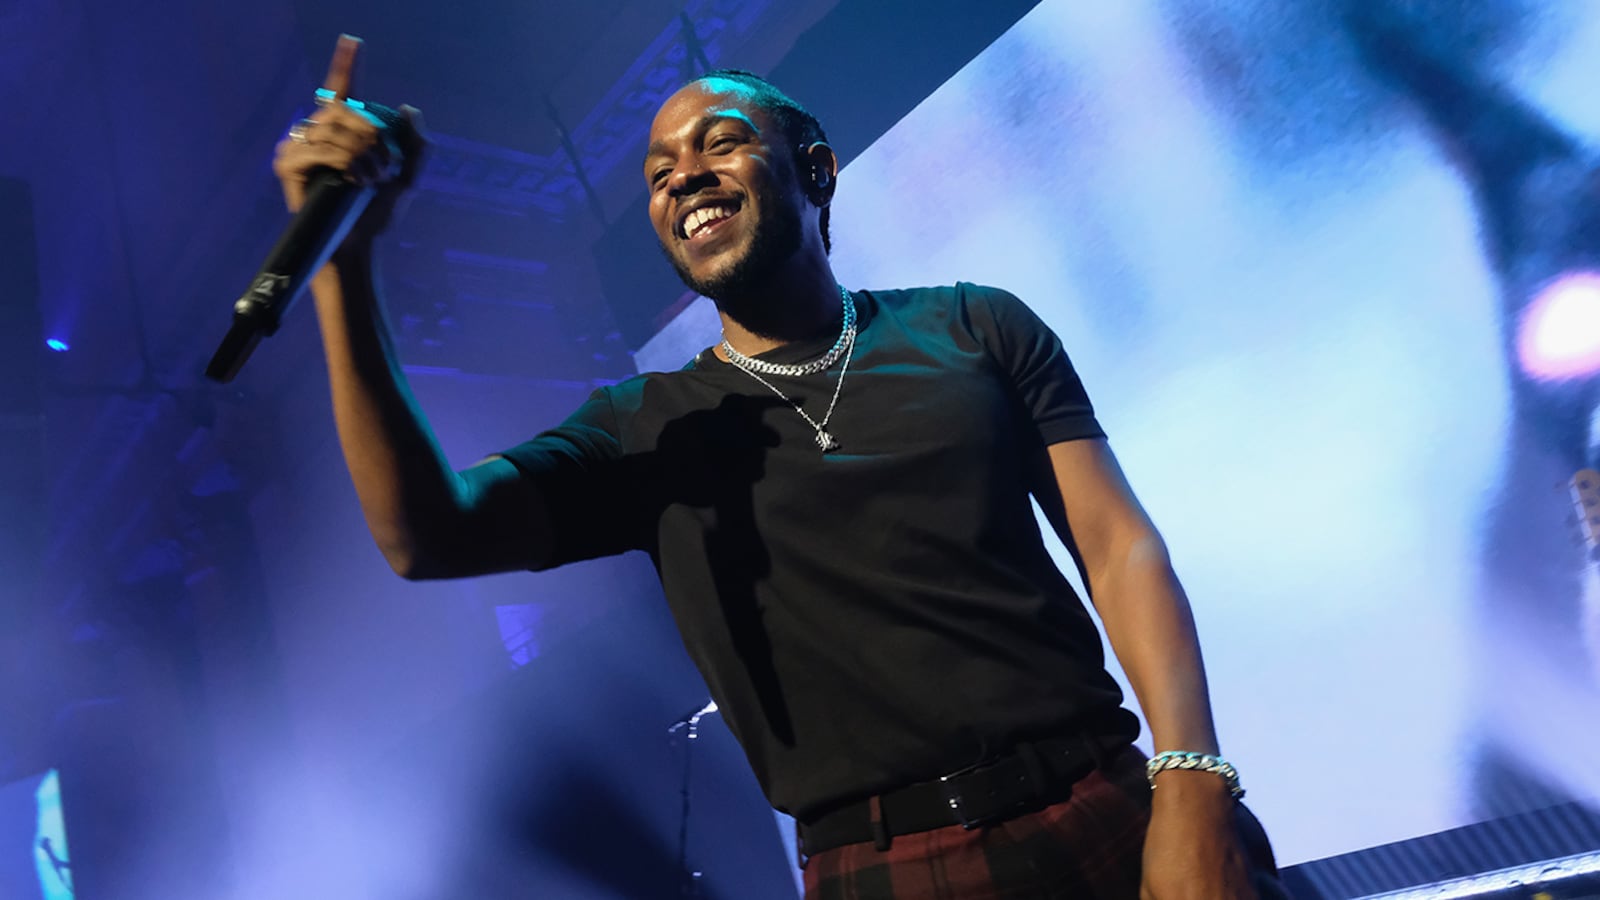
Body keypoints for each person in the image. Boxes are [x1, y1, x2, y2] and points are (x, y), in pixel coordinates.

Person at [274, 34, 1287, 900]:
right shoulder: (644, 428)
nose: (683, 175)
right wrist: (347, 267)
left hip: (1103, 801)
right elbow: (421, 536)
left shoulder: (973, 324)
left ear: (813, 169)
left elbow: (1115, 547)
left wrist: (1191, 776)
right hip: (881, 864)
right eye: (660, 171)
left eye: (719, 142)